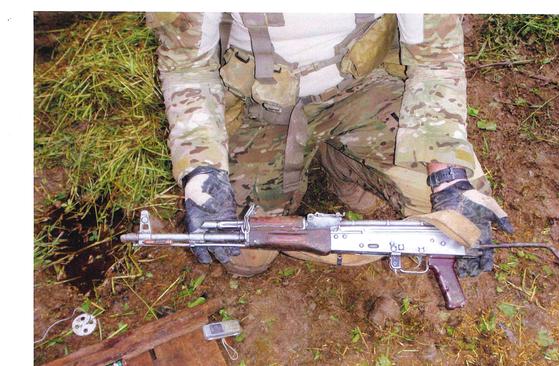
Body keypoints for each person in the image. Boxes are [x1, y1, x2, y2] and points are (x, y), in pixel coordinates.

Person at [147, 12, 514, 277]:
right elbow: (187, 69)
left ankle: (340, 164)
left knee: (454, 217)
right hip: (260, 104)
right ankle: (317, 156)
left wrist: (448, 178)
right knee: (243, 252)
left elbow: (436, 61)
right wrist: (202, 172)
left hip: (366, 88)